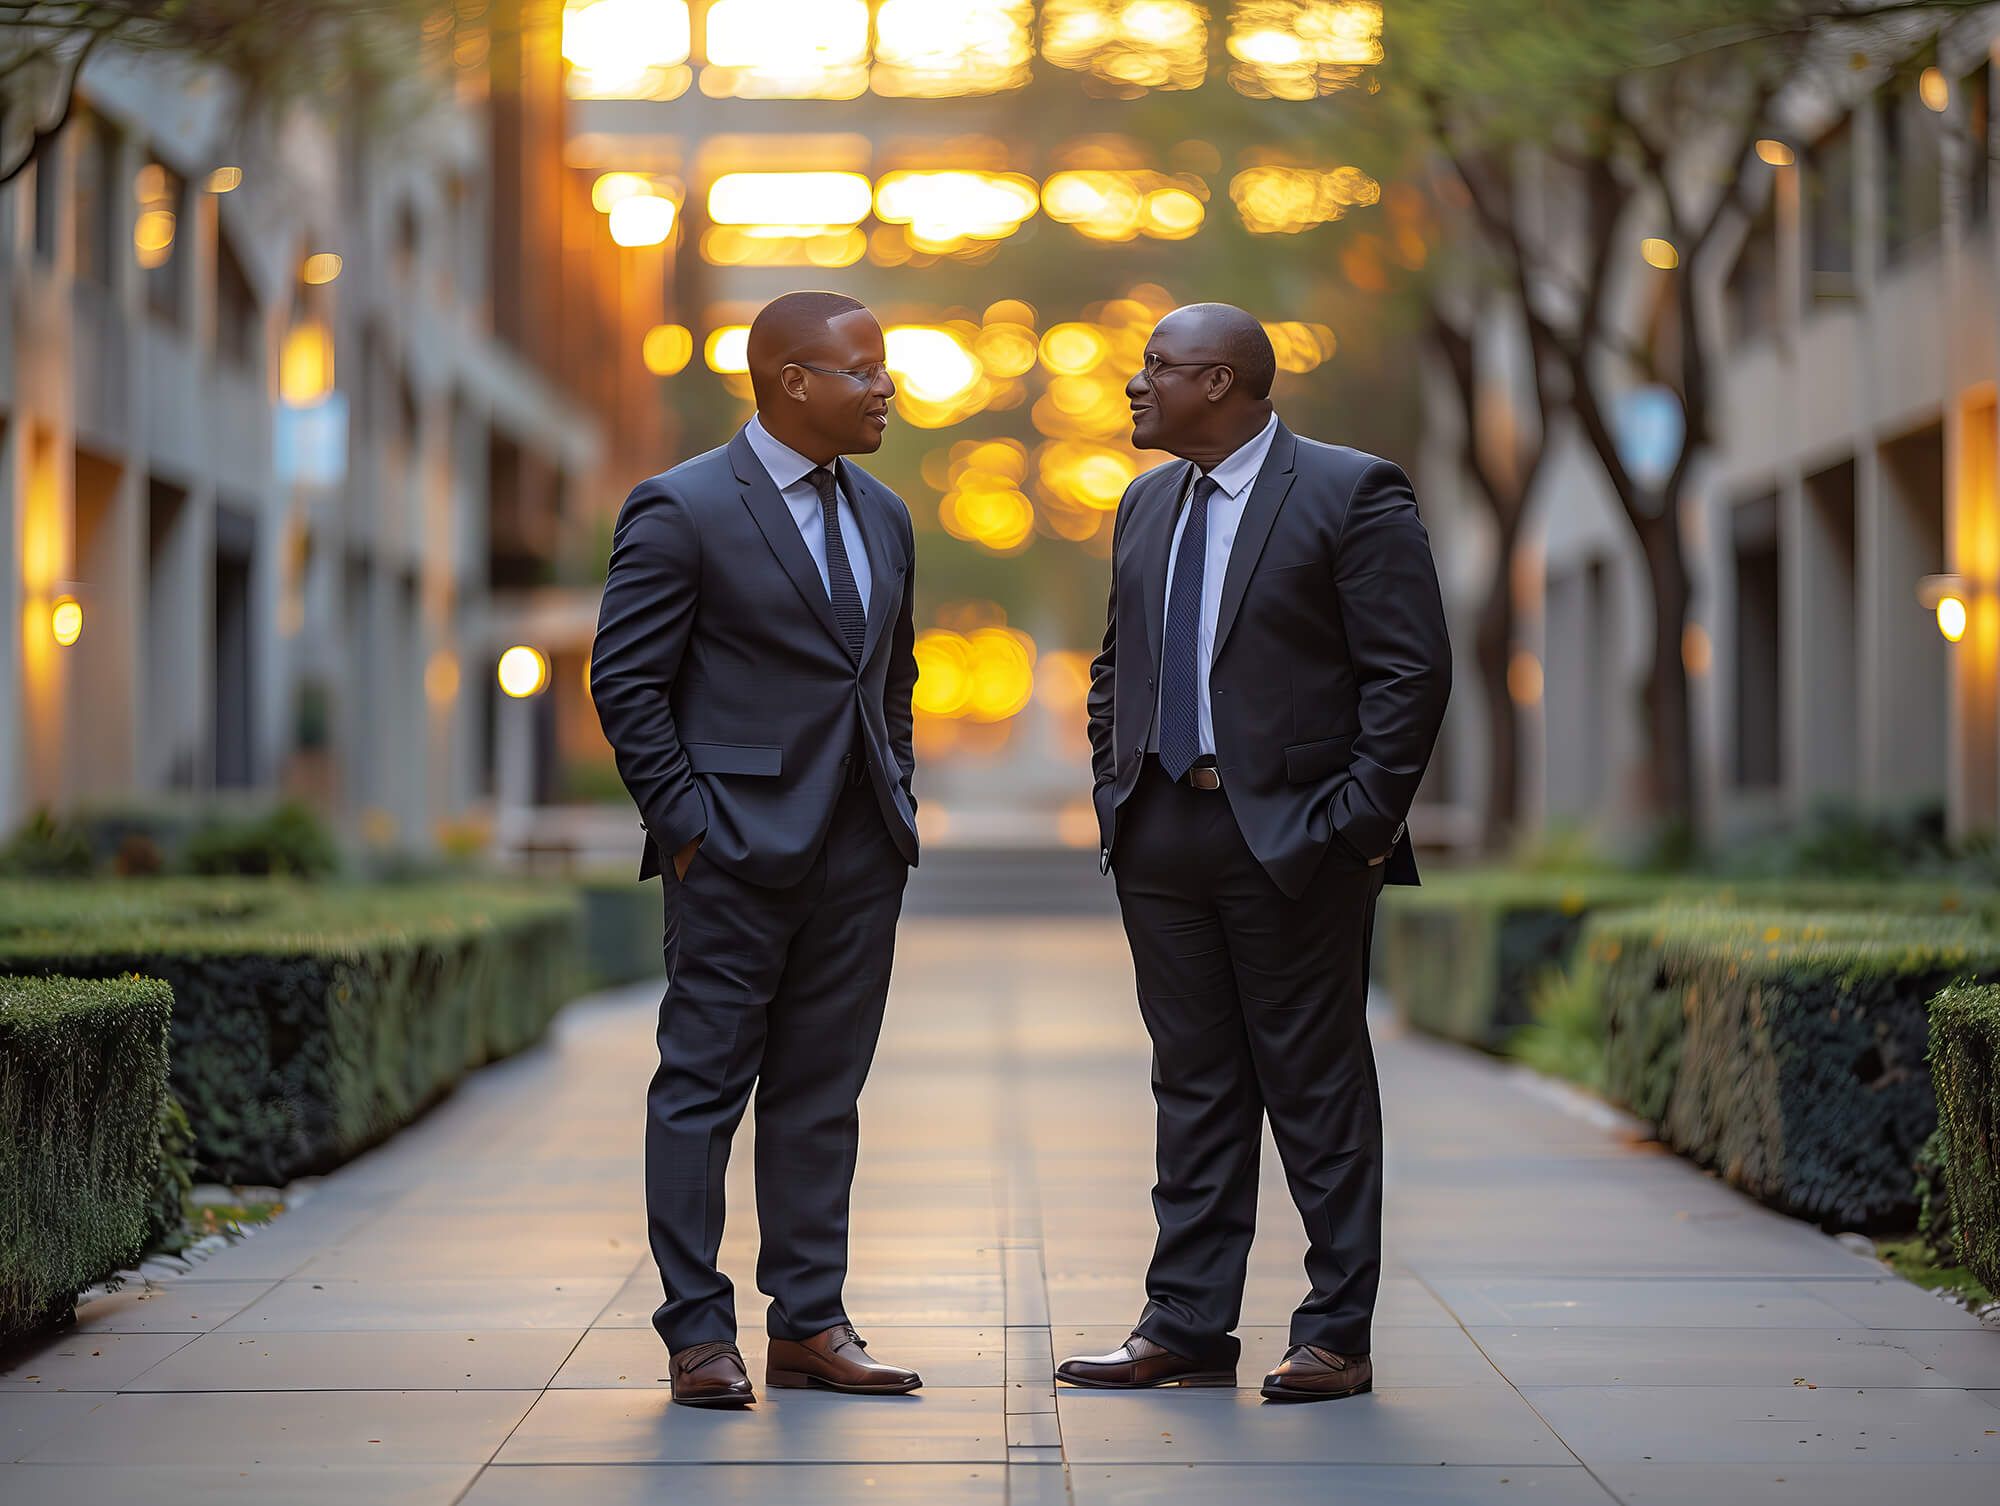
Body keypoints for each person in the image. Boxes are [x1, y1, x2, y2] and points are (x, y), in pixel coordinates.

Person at [1058, 303, 1451, 1403]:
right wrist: (1114, 788)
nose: (1134, 386)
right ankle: (1184, 1322)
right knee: (1189, 1082)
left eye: (1155, 368)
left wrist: (1354, 829)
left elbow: (1409, 673)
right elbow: (1115, 664)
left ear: (1220, 381)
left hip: (1297, 838)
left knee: (1313, 1086)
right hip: (1160, 832)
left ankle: (1335, 1332)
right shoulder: (1142, 502)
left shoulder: (1347, 490)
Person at [590, 291, 922, 1408]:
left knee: (822, 1095)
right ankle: (696, 1334)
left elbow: (891, 682)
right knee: (700, 1091)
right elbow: (626, 682)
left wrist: (896, 796)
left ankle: (809, 1325)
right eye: (864, 371)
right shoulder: (680, 508)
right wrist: (686, 829)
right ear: (792, 381)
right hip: (729, 855)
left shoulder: (884, 515)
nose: (886, 389)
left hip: (858, 856)